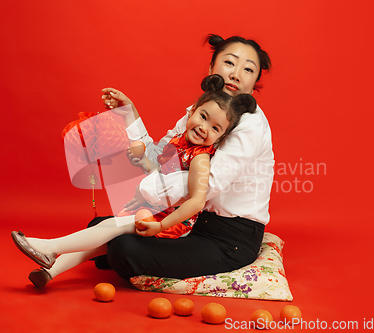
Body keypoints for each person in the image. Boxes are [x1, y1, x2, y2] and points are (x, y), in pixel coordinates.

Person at [11, 74, 257, 288]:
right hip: (154, 209)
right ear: (191, 112)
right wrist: (142, 160)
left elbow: (195, 202)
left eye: (215, 128)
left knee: (109, 228)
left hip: (169, 221)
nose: (205, 128)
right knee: (104, 240)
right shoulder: (180, 142)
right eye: (203, 117)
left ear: (219, 138)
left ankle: (49, 247)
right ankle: (50, 271)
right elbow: (160, 173)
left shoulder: (200, 158)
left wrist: (161, 226)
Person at [104, 34, 274, 280]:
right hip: (191, 221)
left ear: (254, 83)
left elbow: (208, 184)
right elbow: (161, 160)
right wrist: (131, 115)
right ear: (211, 67)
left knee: (122, 247)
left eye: (248, 69)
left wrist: (148, 190)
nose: (236, 74)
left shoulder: (251, 123)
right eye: (230, 63)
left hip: (230, 237)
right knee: (102, 225)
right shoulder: (200, 112)